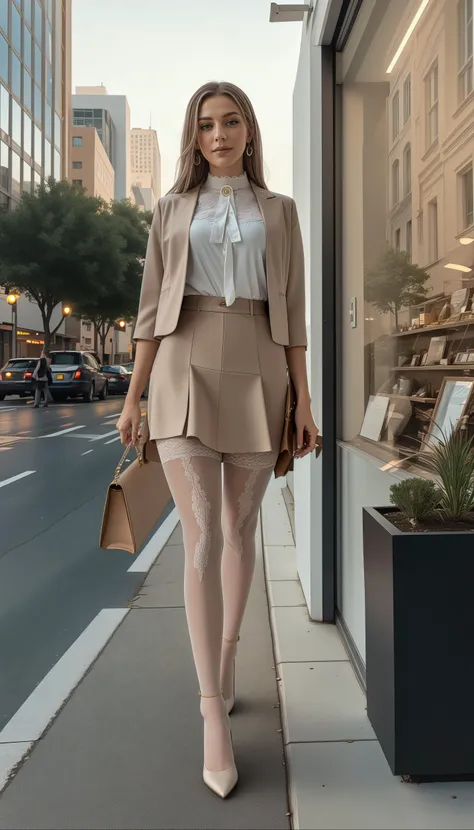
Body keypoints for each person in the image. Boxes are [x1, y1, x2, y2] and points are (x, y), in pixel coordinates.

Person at [117, 81, 318, 799]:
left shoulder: (280, 211)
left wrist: (304, 397)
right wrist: (134, 396)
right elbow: (148, 311)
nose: (220, 134)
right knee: (200, 535)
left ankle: (229, 654)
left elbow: (292, 309)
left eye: (231, 121)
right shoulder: (170, 210)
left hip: (262, 362)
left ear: (249, 130)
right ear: (194, 136)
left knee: (240, 528)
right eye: (206, 124)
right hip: (182, 364)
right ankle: (212, 710)